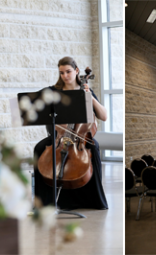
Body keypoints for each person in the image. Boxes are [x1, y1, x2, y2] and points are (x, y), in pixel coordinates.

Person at [32, 56, 108, 210]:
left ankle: (94, 199)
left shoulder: (85, 91)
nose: (65, 76)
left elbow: (103, 116)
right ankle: (43, 201)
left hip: (80, 139)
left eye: (68, 72)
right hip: (58, 137)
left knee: (93, 148)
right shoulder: (53, 91)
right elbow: (33, 102)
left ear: (77, 71)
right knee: (38, 149)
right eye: (61, 73)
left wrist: (90, 98)